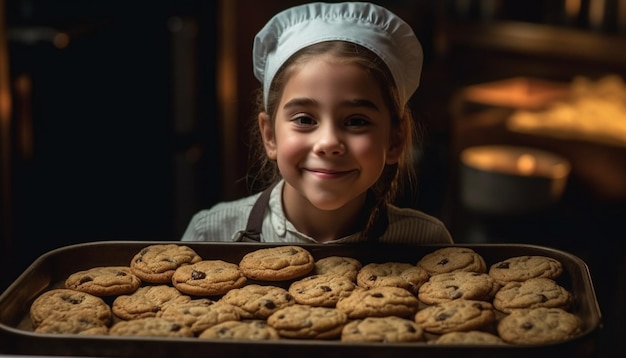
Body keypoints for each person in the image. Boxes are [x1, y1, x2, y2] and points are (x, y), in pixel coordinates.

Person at [181, 2, 453, 244]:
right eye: (305, 119)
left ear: (395, 139)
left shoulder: (427, 242)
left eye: (356, 121)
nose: (328, 143)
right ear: (270, 136)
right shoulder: (211, 234)